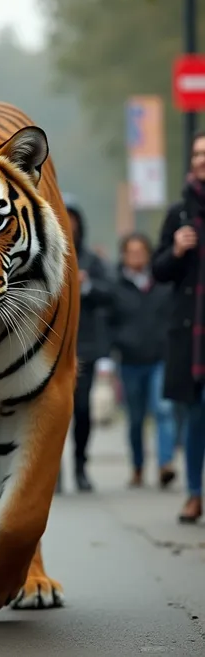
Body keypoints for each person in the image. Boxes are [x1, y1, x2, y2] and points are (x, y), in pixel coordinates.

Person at [152, 130, 205, 524]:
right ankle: (193, 493)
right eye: (198, 154)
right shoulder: (179, 213)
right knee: (196, 414)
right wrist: (176, 249)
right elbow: (158, 270)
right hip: (192, 333)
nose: (203, 160)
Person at [109, 232, 176, 488]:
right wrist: (116, 345)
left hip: (160, 357)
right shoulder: (116, 286)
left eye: (141, 251)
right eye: (131, 252)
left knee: (163, 410)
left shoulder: (162, 283)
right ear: (124, 255)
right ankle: (137, 466)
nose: (136, 256)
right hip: (129, 361)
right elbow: (109, 321)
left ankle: (165, 464)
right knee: (136, 419)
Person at [63, 194, 113, 491]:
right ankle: (52, 472)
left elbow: (112, 294)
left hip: (87, 346)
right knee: (54, 412)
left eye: (73, 218)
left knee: (82, 410)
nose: (69, 224)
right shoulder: (43, 253)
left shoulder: (94, 261)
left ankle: (81, 464)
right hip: (52, 347)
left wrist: (87, 286)